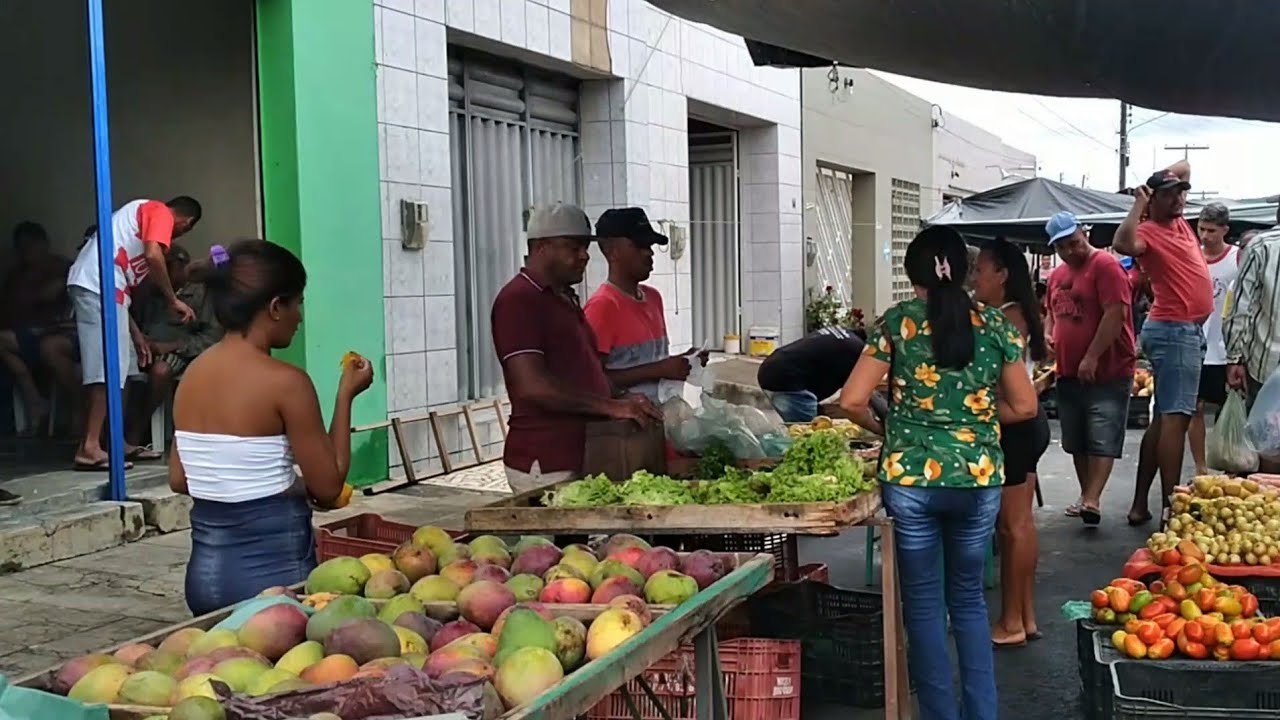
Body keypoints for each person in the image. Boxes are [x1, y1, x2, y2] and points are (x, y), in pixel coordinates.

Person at [839, 225, 1037, 720]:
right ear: (966, 271)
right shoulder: (996, 325)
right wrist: (977, 420)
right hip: (977, 477)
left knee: (925, 607)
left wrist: (891, 426)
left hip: (911, 482)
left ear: (912, 274)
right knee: (969, 602)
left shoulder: (896, 323)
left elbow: (851, 400)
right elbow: (1026, 405)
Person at [170, 240, 373, 614]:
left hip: (203, 579)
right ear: (276, 307)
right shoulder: (286, 382)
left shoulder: (192, 375)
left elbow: (181, 479)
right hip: (273, 581)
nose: (300, 317)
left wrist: (271, 479)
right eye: (297, 304)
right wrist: (346, 396)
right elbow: (329, 488)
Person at [491, 203, 661, 493]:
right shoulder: (519, 299)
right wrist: (611, 406)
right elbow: (533, 386)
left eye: (586, 247)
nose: (584, 256)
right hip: (546, 460)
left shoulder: (563, 297)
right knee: (557, 540)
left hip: (584, 451)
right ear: (542, 247)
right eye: (573, 247)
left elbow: (586, 369)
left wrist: (624, 397)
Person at [66, 197, 202, 470]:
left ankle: (117, 442)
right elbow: (153, 255)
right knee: (107, 370)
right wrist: (172, 300)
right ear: (186, 223)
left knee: (126, 368)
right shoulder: (158, 211)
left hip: (110, 294)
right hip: (96, 287)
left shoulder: (136, 231)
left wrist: (136, 335)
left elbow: (122, 291)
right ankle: (89, 447)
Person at [1113, 164, 1213, 524]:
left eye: (1181, 193)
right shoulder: (1148, 230)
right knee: (1176, 419)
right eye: (1170, 194)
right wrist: (1140, 202)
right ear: (1153, 200)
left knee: (1162, 421)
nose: (1178, 199)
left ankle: (1141, 503)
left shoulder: (1180, 223)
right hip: (1175, 330)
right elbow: (1122, 244)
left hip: (1182, 331)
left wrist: (1168, 180)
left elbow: (1185, 167)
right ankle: (1173, 508)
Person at [970, 237, 1052, 647]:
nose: (973, 279)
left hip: (1015, 427)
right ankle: (1025, 616)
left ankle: (1011, 622)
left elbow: (1001, 383)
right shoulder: (1015, 313)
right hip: (1025, 426)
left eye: (980, 271)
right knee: (1018, 525)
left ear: (1002, 276)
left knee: (1012, 526)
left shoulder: (1006, 319)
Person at [1044, 212, 1136, 525]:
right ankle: (1087, 496)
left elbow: (1116, 314)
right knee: (1076, 439)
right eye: (1062, 247)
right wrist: (1047, 332)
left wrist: (1093, 356)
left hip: (1107, 370)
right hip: (1067, 370)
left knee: (1102, 435)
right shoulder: (1057, 275)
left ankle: (1093, 497)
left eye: (1074, 242)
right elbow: (1051, 312)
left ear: (1085, 232)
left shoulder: (1105, 266)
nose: (1071, 251)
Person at [583, 208, 707, 404]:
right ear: (612, 251)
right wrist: (660, 370)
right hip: (625, 430)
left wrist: (683, 361)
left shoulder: (653, 297)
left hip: (662, 421)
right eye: (640, 245)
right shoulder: (602, 307)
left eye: (650, 246)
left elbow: (651, 363)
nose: (649, 253)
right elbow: (590, 382)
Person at [128, 245, 222, 448]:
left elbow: (211, 338)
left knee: (161, 371)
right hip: (142, 347)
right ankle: (111, 434)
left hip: (178, 352)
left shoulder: (200, 294)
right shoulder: (149, 291)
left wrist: (170, 346)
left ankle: (137, 431)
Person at [0, 221, 72, 437]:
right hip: (25, 334)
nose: (26, 253)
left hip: (56, 332)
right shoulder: (17, 276)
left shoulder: (62, 269)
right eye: (22, 248)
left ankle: (38, 401)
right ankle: (32, 399)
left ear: (43, 244)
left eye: (30, 247)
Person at [1223, 206, 1280, 473]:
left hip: (1265, 362)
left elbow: (1241, 307)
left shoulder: (1260, 247)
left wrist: (1234, 357)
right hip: (1264, 361)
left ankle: (1270, 505)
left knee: (1266, 439)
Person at [1187, 203, 1238, 475]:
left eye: (1211, 230)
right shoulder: (1192, 256)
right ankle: (1200, 467)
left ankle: (1230, 465)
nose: (1205, 236)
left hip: (1227, 347)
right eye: (1202, 229)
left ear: (1225, 230)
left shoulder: (1238, 258)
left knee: (1228, 409)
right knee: (1195, 408)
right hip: (1196, 344)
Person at [758, 325, 888, 426]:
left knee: (818, 424)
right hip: (786, 380)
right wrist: (880, 427)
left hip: (774, 368)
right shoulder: (857, 353)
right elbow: (860, 399)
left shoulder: (847, 335)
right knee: (809, 437)